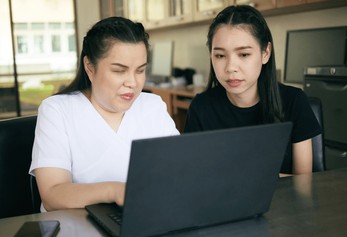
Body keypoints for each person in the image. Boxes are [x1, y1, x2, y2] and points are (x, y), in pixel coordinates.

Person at [29, 17, 179, 211]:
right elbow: (53, 195)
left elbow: (180, 172)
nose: (132, 83)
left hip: (144, 222)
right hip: (75, 231)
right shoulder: (57, 110)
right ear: (90, 68)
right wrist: (115, 191)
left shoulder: (152, 106)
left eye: (140, 71)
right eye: (119, 71)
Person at [184, 5, 321, 176]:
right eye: (220, 56)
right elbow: (195, 177)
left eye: (244, 54)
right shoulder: (201, 108)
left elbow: (303, 183)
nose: (231, 67)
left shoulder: (294, 101)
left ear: (265, 53)